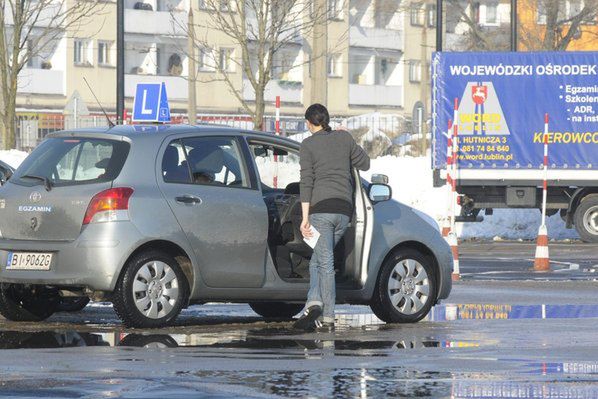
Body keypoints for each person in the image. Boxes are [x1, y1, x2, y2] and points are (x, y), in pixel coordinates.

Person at [293, 103, 370, 332]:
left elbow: (306, 182)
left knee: (325, 264)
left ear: (309, 123)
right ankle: (313, 301)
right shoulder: (344, 139)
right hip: (344, 213)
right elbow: (364, 163)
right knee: (318, 258)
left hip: (322, 213)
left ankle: (328, 317)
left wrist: (304, 217)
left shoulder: (307, 145)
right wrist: (349, 138)